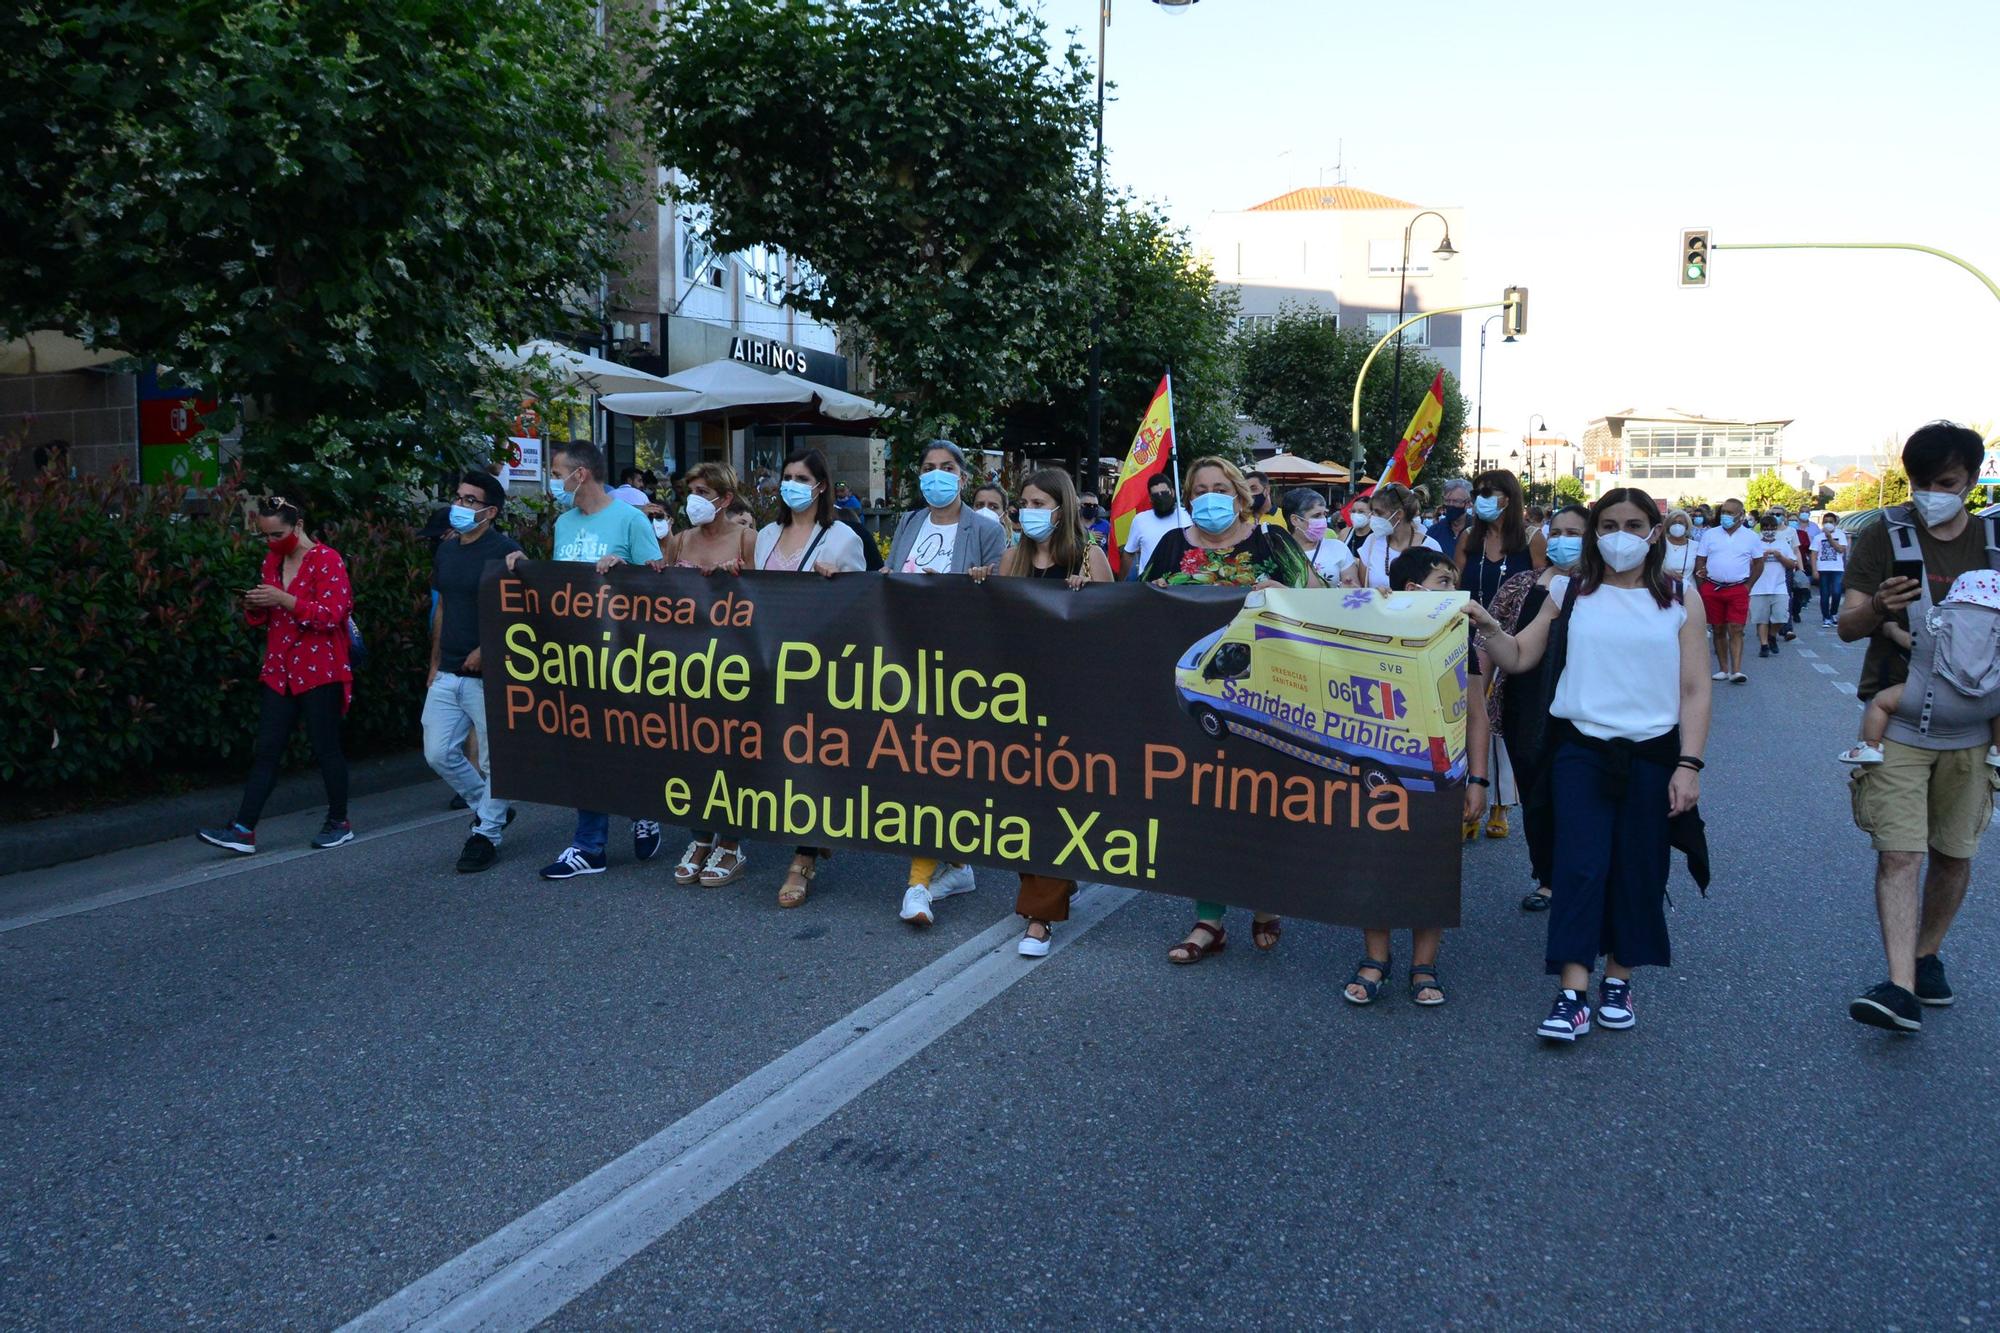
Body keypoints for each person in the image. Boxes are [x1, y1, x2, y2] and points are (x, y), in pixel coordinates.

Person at [1466, 488, 1711, 1044]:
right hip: (1579, 751)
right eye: (1608, 523)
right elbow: (1521, 656)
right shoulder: (1568, 589)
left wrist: (1689, 765)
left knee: (1639, 868)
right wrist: (1487, 626)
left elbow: (1695, 690)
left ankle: (1619, 983)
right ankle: (1572, 993)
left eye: (1633, 523)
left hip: (1652, 755)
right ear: (1594, 531)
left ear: (1654, 530)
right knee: (1578, 867)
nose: (1619, 534)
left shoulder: (1680, 596)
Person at [1838, 421, 1999, 1033]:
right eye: (1919, 481)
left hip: (1977, 728)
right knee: (1900, 856)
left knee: (1953, 855)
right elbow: (1849, 625)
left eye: (1946, 482)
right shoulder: (1885, 535)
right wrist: (1879, 607)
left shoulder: (1994, 540)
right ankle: (1900, 986)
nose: (1930, 493)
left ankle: (1927, 955)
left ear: (1973, 480)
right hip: (1901, 719)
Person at [1142, 456, 1322, 964]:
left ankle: (1266, 900)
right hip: (1195, 694)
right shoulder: (1171, 546)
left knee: (1261, 798)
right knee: (1202, 803)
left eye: (1220, 487)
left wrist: (1283, 595)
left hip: (1267, 700)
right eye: (1199, 489)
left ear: (1241, 495)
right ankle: (1208, 920)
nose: (1209, 497)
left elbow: (1324, 605)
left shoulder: (1272, 543)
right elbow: (1138, 608)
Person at [1344, 547, 1489, 1007]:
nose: (1455, 590)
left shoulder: (1456, 634)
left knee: (1434, 867)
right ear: (1413, 590)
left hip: (1441, 775)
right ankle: (1375, 960)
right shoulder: (1371, 624)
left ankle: (1423, 965)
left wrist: (1478, 780)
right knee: (1375, 861)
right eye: (1445, 582)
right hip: (1379, 773)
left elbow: (1477, 714)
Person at [886, 440, 1005, 927]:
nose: (937, 475)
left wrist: (983, 582)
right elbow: (893, 578)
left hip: (960, 666)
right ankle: (956, 866)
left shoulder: (985, 528)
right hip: (907, 660)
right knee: (921, 765)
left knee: (936, 767)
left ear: (962, 475)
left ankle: (917, 884)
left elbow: (1007, 589)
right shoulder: (909, 523)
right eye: (929, 468)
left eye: (947, 468)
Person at [198, 497, 357, 855]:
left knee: (325, 746)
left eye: (279, 534)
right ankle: (243, 829)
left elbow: (332, 615)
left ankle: (339, 821)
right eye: (266, 536)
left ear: (299, 526)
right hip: (280, 669)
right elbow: (269, 618)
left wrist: (283, 599)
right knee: (267, 750)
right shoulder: (272, 561)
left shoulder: (327, 560)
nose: (272, 542)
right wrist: (256, 605)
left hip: (321, 669)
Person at [537, 440, 665, 880]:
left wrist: (624, 571)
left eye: (557, 473)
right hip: (575, 657)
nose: (554, 482)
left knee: (628, 741)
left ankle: (644, 807)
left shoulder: (629, 519)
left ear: (581, 474)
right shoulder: (564, 523)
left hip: (624, 658)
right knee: (583, 748)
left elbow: (660, 586)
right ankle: (588, 845)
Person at [999, 468, 1113, 957]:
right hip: (1015, 698)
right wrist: (982, 585)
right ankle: (1049, 885)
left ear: (1062, 509)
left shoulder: (1091, 558)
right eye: (1023, 502)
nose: (1029, 511)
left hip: (1071, 700)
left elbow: (1114, 626)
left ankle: (1040, 915)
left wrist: (1087, 598)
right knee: (1022, 802)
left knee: (1056, 801)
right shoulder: (1011, 557)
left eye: (1039, 503)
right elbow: (993, 623)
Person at [755, 447, 870, 908]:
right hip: (767, 663)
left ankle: (802, 860)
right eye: (787, 476)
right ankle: (815, 830)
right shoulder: (764, 534)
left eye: (802, 477)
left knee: (810, 757)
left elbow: (864, 601)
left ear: (821, 486)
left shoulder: (843, 536)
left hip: (818, 666)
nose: (792, 484)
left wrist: (838, 578)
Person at [658, 462, 760, 887]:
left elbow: (770, 601)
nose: (694, 498)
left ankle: (731, 843)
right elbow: (655, 593)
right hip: (684, 667)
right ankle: (699, 839)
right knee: (691, 753)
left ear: (725, 499)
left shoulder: (748, 539)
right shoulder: (679, 542)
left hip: (734, 667)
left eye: (703, 490)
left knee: (730, 756)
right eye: (691, 490)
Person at [421, 471, 523, 873]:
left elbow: (521, 612)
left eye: (470, 500)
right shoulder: (446, 550)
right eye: (458, 497)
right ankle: (489, 806)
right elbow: (443, 607)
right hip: (448, 670)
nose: (459, 506)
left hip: (491, 675)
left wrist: (488, 648)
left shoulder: (506, 551)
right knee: (438, 752)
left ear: (491, 511)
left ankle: (486, 834)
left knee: (495, 760)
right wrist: (433, 663)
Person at [1504, 503, 1590, 911]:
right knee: (1537, 799)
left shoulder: (1602, 587)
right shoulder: (1523, 583)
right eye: (1556, 532)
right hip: (1527, 705)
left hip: (1582, 707)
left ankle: (1579, 876)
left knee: (1576, 798)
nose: (1562, 540)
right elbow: (1497, 644)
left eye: (1574, 533)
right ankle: (1548, 877)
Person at [1839, 571, 2000, 770]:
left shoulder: (1939, 624)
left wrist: (1892, 631)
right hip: (1985, 697)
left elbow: (1913, 643)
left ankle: (1870, 745)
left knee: (1881, 702)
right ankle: (1997, 750)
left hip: (1932, 693)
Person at [1693, 497, 1758, 683]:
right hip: (1712, 588)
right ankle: (1723, 669)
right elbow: (1700, 560)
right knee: (1718, 628)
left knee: (1736, 628)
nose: (1726, 516)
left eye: (1730, 513)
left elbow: (1759, 563)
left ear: (1741, 515)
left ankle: (1736, 670)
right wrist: (1702, 585)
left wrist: (1748, 586)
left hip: (1738, 588)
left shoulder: (1751, 537)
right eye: (1724, 512)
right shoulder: (1710, 535)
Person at [1354, 483, 1441, 590]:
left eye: (1378, 513)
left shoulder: (1430, 547)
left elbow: (1438, 590)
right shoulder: (1372, 541)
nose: (1372, 517)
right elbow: (1364, 588)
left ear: (1399, 514)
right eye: (1372, 511)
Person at [1284, 487, 1358, 587]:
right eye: (1317, 515)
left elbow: (1356, 592)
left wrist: (1347, 588)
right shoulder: (1279, 552)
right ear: (1295, 520)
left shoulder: (1338, 548)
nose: (1323, 520)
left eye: (1325, 514)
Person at [1748, 513, 1798, 659]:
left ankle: (1772, 635)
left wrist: (1780, 557)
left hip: (1779, 586)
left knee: (1781, 616)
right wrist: (1760, 559)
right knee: (1761, 618)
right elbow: (1748, 565)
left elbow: (1792, 564)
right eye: (1766, 528)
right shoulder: (1755, 544)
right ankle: (1764, 645)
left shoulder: (1782, 544)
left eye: (1772, 528)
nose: (1769, 531)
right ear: (1761, 529)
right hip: (1759, 587)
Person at [1122, 474, 1190, 578]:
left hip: (1182, 582)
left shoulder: (1188, 516)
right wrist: (1121, 583)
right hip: (1149, 584)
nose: (1161, 498)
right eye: (1156, 495)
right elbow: (1129, 552)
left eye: (1164, 493)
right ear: (1150, 498)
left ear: (1172, 492)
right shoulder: (1140, 520)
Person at [1815, 512, 1849, 627]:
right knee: (1824, 594)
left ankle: (1833, 613)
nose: (1828, 524)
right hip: (1823, 568)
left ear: (1835, 523)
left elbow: (1841, 550)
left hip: (1837, 569)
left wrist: (1830, 537)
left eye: (1831, 522)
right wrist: (1815, 570)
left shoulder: (1841, 535)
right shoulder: (1818, 537)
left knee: (1836, 592)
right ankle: (1826, 617)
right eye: (1826, 522)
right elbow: (1814, 554)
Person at [1426, 477, 1472, 552]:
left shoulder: (1477, 530)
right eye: (1447, 500)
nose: (1451, 505)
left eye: (1456, 501)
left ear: (1468, 503)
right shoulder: (1434, 531)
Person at [1659, 508, 1698, 585]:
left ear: (1686, 526)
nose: (1677, 525)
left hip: (1689, 590)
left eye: (1680, 523)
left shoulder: (1695, 546)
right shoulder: (1660, 544)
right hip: (1665, 589)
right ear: (1668, 525)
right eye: (1673, 523)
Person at [970, 481, 1016, 547]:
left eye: (993, 507)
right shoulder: (958, 543)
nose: (985, 510)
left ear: (1004, 515)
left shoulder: (1010, 555)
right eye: (979, 505)